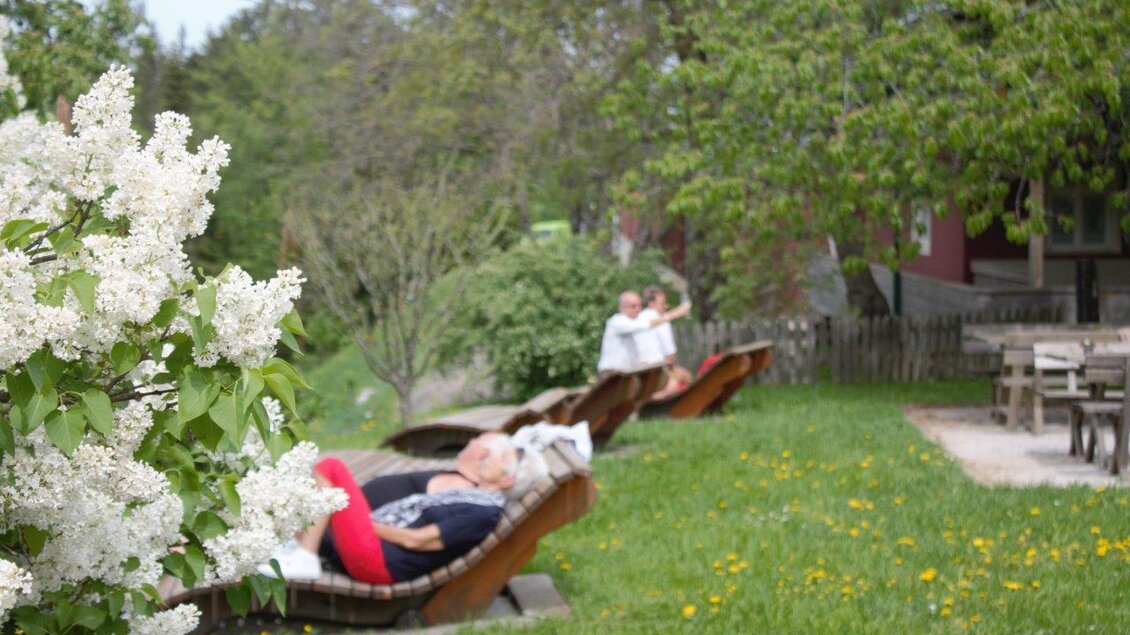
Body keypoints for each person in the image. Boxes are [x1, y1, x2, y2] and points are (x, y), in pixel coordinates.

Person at [259, 432, 548, 583]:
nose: (489, 456)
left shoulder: (483, 514)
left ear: (507, 478)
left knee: (332, 468)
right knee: (329, 482)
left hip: (379, 564)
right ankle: (296, 547)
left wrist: (360, 523)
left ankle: (305, 558)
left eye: (500, 457)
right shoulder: (472, 496)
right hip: (373, 552)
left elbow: (417, 539)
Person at [597, 290, 691, 374]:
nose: (638, 309)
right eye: (633, 306)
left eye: (639, 305)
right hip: (612, 375)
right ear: (621, 308)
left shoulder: (634, 321)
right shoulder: (617, 321)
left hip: (626, 374)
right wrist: (674, 314)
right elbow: (643, 325)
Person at [637, 286, 694, 400]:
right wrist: (672, 368)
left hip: (639, 368)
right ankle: (653, 403)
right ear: (652, 304)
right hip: (656, 369)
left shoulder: (639, 318)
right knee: (686, 377)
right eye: (663, 303)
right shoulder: (662, 321)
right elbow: (670, 355)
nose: (666, 306)